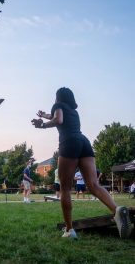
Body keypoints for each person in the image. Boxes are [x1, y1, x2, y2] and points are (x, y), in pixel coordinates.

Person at [31, 87, 133, 239]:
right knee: (93, 184)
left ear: (58, 98)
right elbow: (55, 116)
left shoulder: (58, 105)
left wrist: (43, 125)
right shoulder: (72, 110)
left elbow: (58, 119)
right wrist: (43, 115)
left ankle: (70, 230)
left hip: (69, 143)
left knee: (65, 188)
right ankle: (117, 211)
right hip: (84, 142)